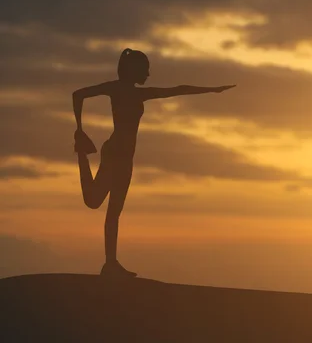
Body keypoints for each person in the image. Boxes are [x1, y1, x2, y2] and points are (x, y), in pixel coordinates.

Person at [72, 48, 235, 277]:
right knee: (93, 201)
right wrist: (79, 129)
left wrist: (211, 90)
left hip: (126, 158)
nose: (148, 74)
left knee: (113, 213)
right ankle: (81, 154)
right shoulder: (116, 89)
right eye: (145, 70)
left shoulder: (139, 94)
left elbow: (177, 91)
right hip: (116, 153)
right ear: (134, 70)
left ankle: (110, 263)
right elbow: (77, 95)